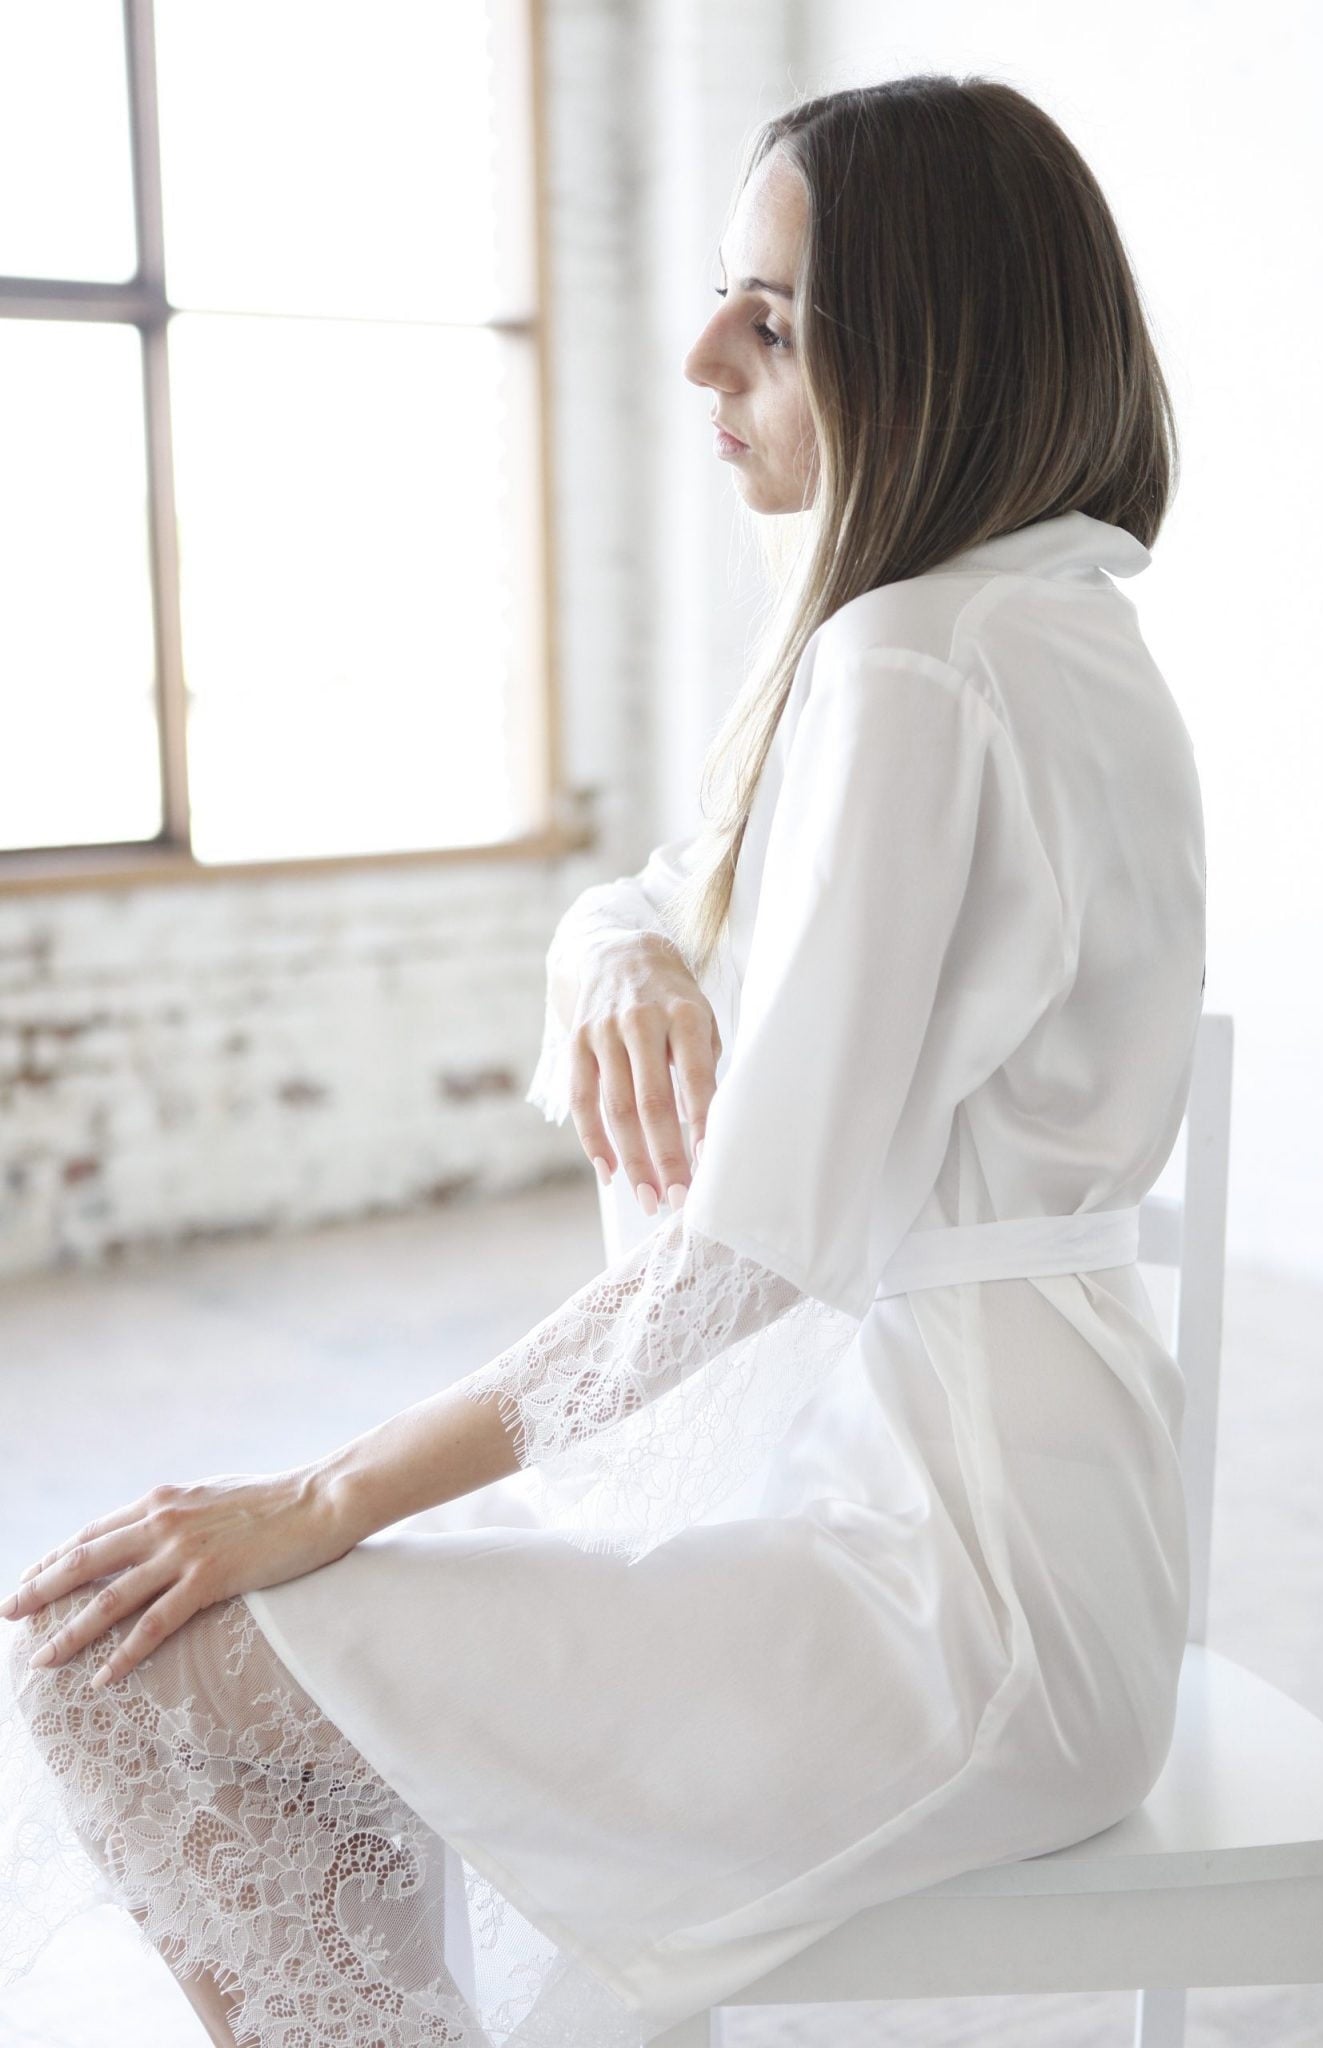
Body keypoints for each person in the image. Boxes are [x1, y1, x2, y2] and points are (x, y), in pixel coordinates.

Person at [0, 71, 1205, 2048]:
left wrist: (325, 1492)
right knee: (232, 1663)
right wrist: (624, 955)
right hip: (1034, 1546)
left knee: (104, 1659)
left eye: (777, 317)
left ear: (938, 346)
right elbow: (660, 887)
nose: (700, 349)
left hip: (944, 1600)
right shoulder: (1049, 623)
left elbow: (742, 1258)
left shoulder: (909, 659)